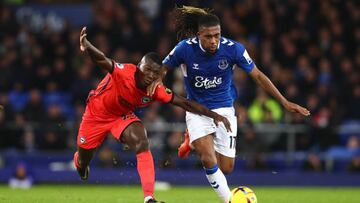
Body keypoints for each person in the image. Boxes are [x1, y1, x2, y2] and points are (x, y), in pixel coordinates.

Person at [148, 6, 310, 203]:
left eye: (217, 35)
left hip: (225, 109)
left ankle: (192, 139)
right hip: (197, 109)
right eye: (208, 37)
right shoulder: (184, 48)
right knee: (208, 158)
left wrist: (284, 102)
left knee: (226, 168)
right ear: (199, 35)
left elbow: (258, 76)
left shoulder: (234, 49)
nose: (214, 41)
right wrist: (158, 79)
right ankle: (230, 200)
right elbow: (164, 66)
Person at [74, 27, 232, 203]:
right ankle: (81, 164)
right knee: (83, 160)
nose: (149, 75)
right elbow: (102, 59)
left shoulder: (155, 89)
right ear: (139, 66)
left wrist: (213, 115)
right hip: (95, 115)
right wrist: (87, 45)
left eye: (154, 73)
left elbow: (185, 102)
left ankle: (149, 198)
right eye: (146, 69)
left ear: (159, 75)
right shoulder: (125, 72)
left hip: (121, 116)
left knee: (142, 141)